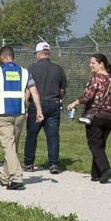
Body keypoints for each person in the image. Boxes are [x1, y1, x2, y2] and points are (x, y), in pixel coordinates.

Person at [0, 46, 44, 190]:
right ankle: (5, 177)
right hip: (19, 113)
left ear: (2, 57)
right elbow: (34, 91)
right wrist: (39, 111)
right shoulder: (25, 73)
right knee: (13, 146)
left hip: (3, 113)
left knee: (8, 146)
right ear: (14, 57)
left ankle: (17, 177)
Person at [66, 53, 111, 184]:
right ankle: (96, 174)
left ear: (101, 64)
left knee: (93, 144)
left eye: (93, 63)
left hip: (95, 116)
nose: (90, 65)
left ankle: (105, 168)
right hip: (109, 117)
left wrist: (74, 103)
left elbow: (88, 96)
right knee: (100, 145)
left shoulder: (96, 78)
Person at [24, 42, 68, 174]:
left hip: (36, 105)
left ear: (38, 54)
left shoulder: (32, 68)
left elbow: (27, 90)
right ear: (48, 54)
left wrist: (24, 105)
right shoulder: (58, 69)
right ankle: (54, 164)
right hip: (54, 103)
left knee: (32, 134)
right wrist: (57, 98)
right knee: (53, 135)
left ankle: (29, 163)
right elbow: (63, 89)